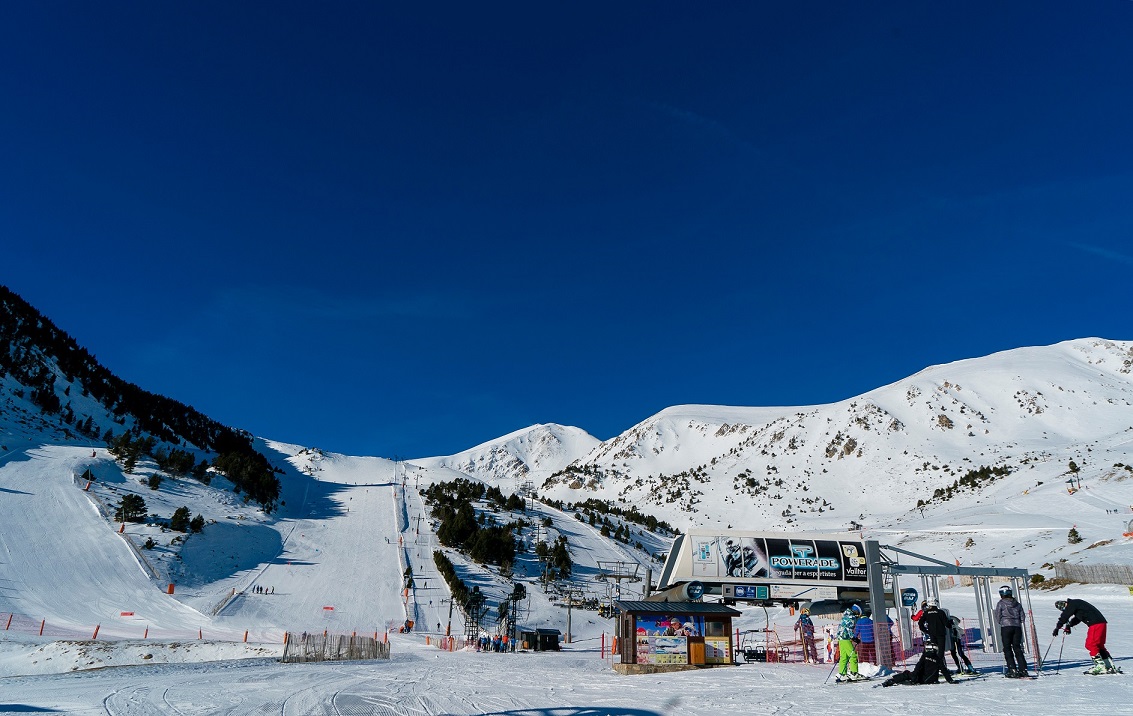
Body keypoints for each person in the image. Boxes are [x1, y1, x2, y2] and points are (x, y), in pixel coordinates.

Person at [1053, 598, 1118, 674]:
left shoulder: (1072, 604)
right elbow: (1078, 618)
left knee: (1090, 644)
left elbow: (1065, 616)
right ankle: (1109, 665)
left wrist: (1058, 627)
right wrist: (1069, 625)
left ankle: (1100, 666)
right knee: (1099, 645)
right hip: (1101, 623)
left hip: (1095, 624)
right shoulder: (1077, 604)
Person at [994, 585, 1029, 678]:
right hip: (1017, 627)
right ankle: (1023, 669)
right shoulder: (1017, 603)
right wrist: (1017, 621)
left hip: (1006, 626)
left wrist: (1002, 622)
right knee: (1017, 647)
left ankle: (1012, 669)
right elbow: (1022, 617)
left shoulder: (1001, 603)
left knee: (1007, 648)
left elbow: (997, 615)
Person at [835, 604, 864, 681]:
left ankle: (842, 674)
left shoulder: (846, 616)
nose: (858, 616)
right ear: (856, 612)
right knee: (853, 655)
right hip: (845, 638)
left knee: (844, 656)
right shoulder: (851, 618)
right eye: (858, 614)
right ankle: (854, 673)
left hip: (841, 638)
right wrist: (854, 638)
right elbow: (849, 628)